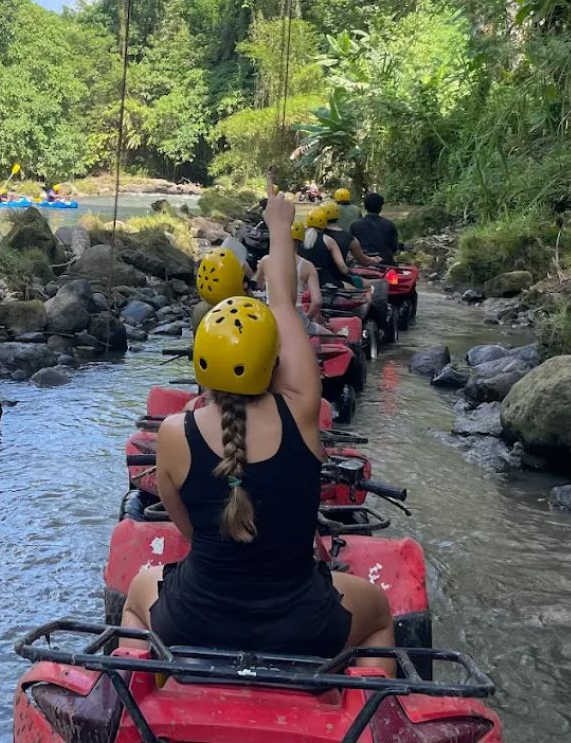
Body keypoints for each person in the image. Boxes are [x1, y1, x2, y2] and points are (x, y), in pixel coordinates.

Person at [121, 177, 394, 671]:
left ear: (201, 361)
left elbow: (189, 530)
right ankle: (365, 702)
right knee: (379, 613)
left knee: (138, 593)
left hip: (193, 617)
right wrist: (280, 227)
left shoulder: (174, 433)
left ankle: (139, 689)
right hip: (304, 624)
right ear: (274, 363)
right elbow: (284, 304)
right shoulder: (302, 410)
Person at [324, 202, 383, 270]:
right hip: (339, 274)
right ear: (338, 215)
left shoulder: (315, 235)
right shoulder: (350, 239)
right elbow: (364, 260)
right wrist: (375, 259)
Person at [351, 192, 400, 265]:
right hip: (385, 263)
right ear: (380, 207)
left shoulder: (354, 225)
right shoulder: (389, 224)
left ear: (365, 207)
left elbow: (351, 248)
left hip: (361, 264)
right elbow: (394, 248)